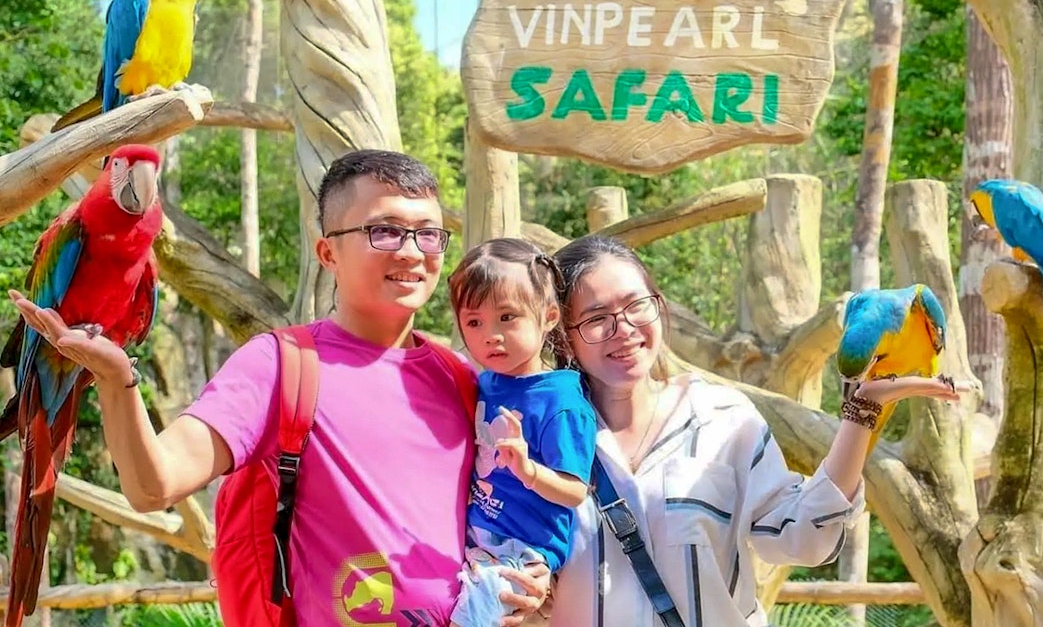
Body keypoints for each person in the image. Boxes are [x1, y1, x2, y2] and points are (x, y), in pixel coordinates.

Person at [7, 150, 549, 626]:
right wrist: (115, 377)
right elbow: (154, 486)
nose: (411, 251)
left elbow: (514, 513)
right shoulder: (278, 365)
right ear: (328, 253)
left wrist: (531, 578)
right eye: (383, 231)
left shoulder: (464, 378)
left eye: (428, 233)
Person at [547, 235, 967, 627]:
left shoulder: (722, 417)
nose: (624, 328)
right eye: (596, 318)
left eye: (636, 304)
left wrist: (863, 410)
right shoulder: (534, 440)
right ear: (563, 338)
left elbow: (803, 539)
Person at [445, 238, 597, 627]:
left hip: (517, 552)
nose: (490, 335)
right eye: (474, 322)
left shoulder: (560, 402)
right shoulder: (489, 381)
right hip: (477, 539)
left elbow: (574, 491)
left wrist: (528, 470)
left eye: (507, 317)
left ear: (548, 316)